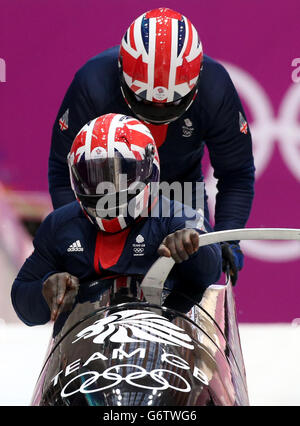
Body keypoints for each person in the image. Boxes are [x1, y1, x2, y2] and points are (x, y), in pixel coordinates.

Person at [48, 8, 254, 285]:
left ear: (196, 85)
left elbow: (236, 173)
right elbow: (63, 171)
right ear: (121, 76)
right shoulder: (92, 85)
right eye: (144, 104)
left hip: (179, 192)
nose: (157, 114)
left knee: (196, 276)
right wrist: (76, 237)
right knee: (101, 279)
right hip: (106, 197)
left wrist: (228, 238)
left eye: (172, 106)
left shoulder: (215, 89)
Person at [11, 113, 222, 326]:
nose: (105, 192)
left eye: (121, 174)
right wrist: (45, 292)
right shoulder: (59, 226)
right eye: (92, 175)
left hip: (165, 343)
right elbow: (23, 301)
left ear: (149, 168)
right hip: (87, 349)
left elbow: (211, 271)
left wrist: (192, 249)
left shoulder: (177, 218)